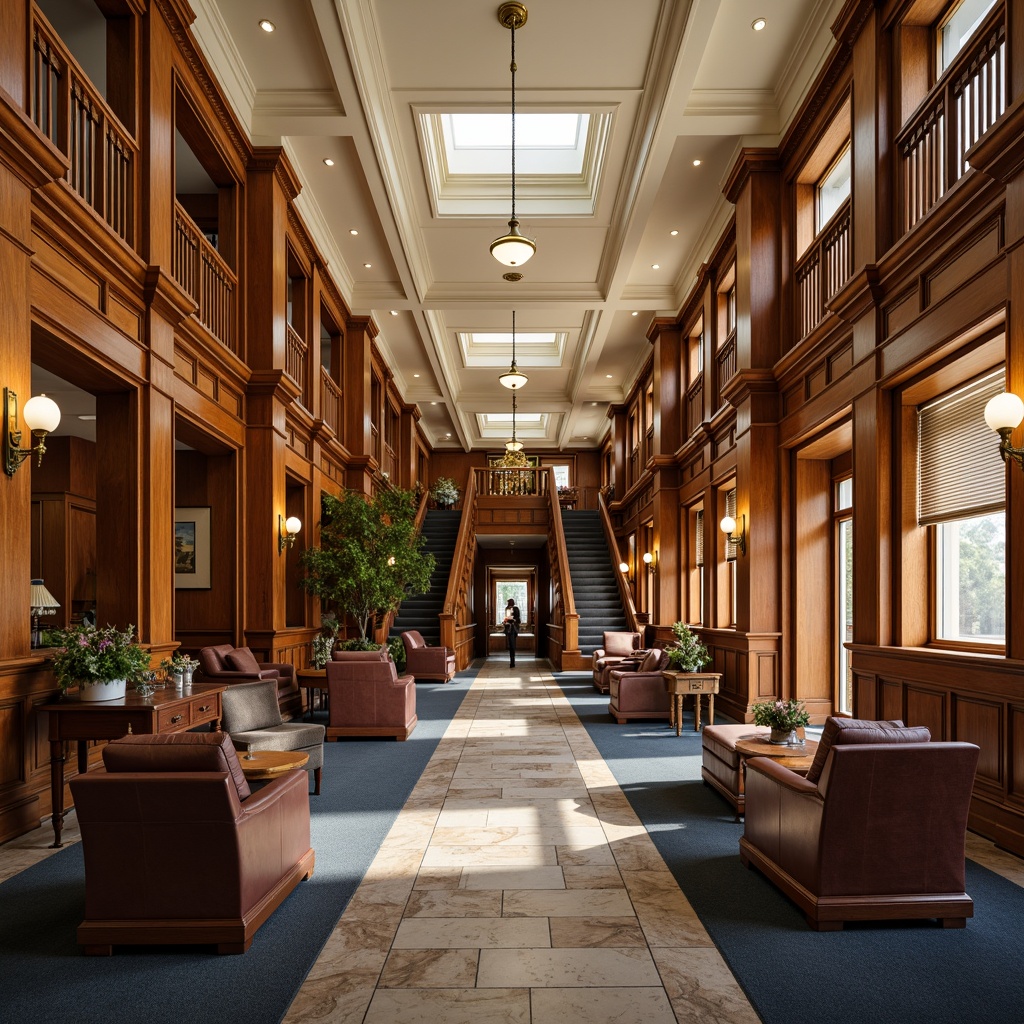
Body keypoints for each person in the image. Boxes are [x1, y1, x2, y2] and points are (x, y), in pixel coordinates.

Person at [502, 598, 521, 668]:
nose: (508, 604)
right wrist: (506, 621)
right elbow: (507, 618)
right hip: (510, 629)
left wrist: (513, 620)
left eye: (509, 603)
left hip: (513, 629)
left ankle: (512, 661)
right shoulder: (507, 609)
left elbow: (518, 619)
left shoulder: (515, 609)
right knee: (511, 645)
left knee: (512, 645)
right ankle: (512, 661)